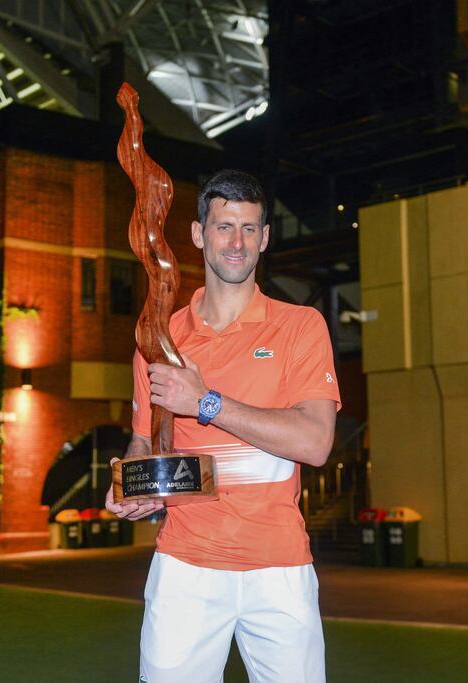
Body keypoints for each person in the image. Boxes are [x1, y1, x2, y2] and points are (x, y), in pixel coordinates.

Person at [106, 169, 340, 683]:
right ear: (198, 234)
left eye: (250, 228)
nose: (237, 242)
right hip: (185, 567)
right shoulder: (158, 338)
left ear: (265, 238)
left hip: (278, 568)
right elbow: (145, 438)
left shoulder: (300, 326)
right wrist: (134, 481)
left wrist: (206, 402)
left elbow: (316, 442)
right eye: (224, 226)